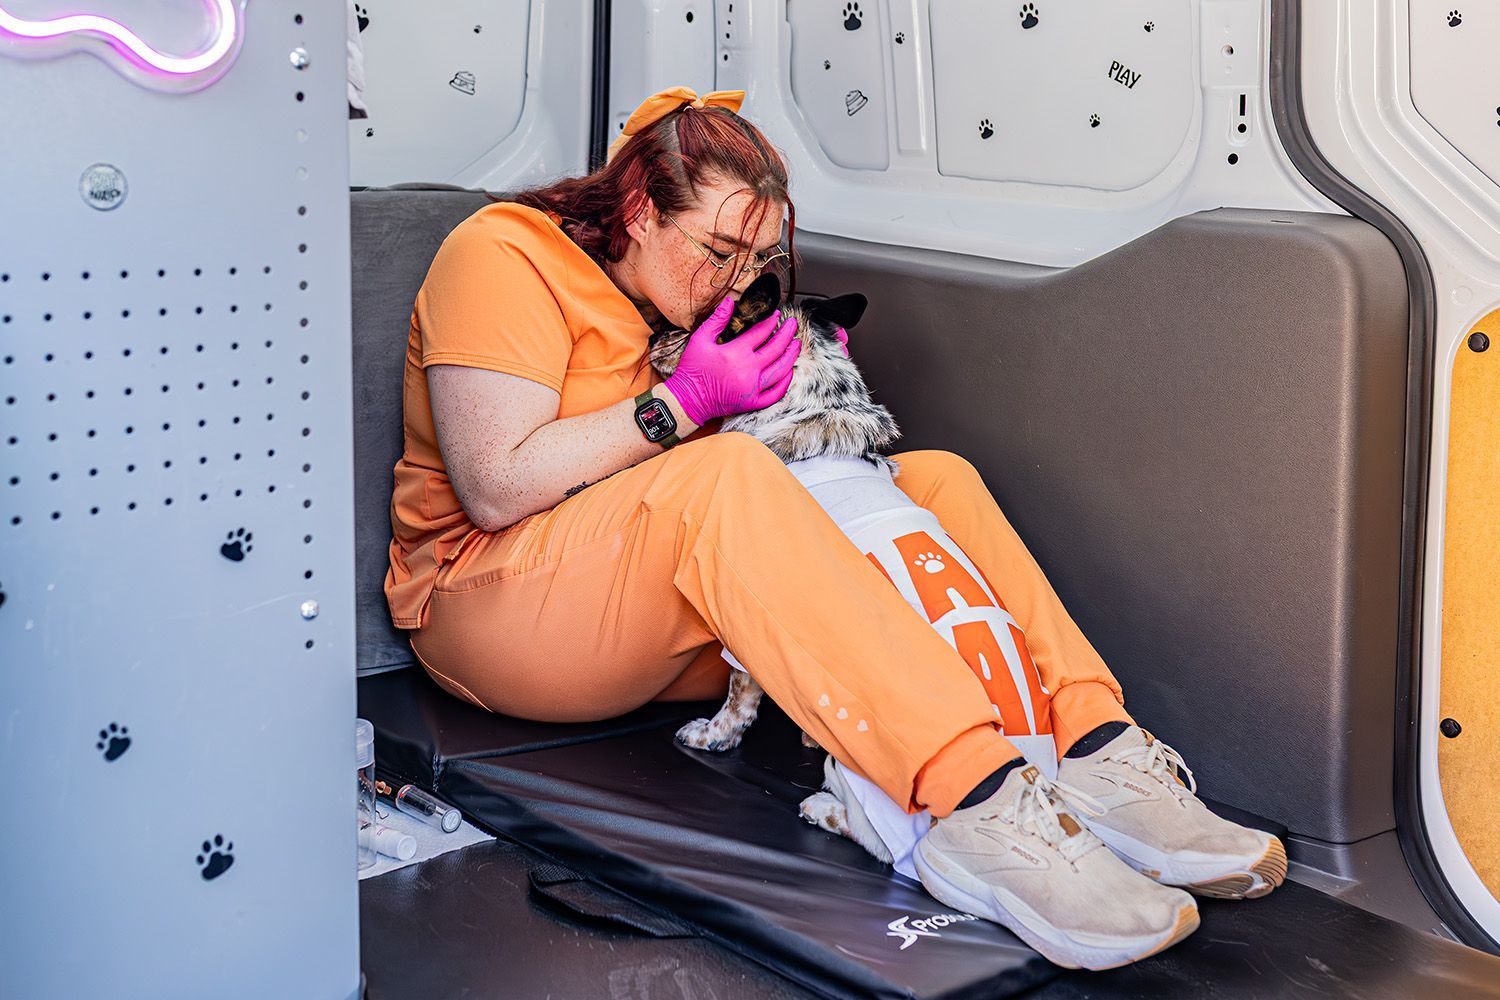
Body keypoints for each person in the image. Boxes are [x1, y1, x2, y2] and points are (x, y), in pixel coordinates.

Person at [384, 86, 1285, 971]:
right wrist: (684, 404)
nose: (736, 282)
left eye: (758, 262)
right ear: (636, 207)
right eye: (719, 251)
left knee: (931, 482)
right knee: (725, 475)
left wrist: (782, 386)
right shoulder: (502, 254)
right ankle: (972, 801)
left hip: (649, 616)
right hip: (492, 609)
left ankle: (1098, 752)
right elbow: (495, 486)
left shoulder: (677, 299)